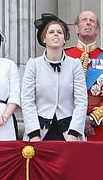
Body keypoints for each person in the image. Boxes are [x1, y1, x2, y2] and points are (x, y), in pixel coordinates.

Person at [21, 13, 86, 141]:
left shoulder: (75, 64)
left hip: (68, 133)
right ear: (44, 38)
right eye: (51, 32)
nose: (56, 34)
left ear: (64, 39)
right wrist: (34, 134)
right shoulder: (33, 64)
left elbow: (81, 101)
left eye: (59, 32)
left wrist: (74, 132)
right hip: (40, 132)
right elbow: (27, 100)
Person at [63, 10, 103, 142]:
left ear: (98, 30)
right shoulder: (64, 56)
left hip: (99, 126)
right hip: (68, 121)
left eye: (92, 21)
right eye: (84, 20)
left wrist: (92, 119)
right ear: (76, 28)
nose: (88, 23)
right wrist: (77, 118)